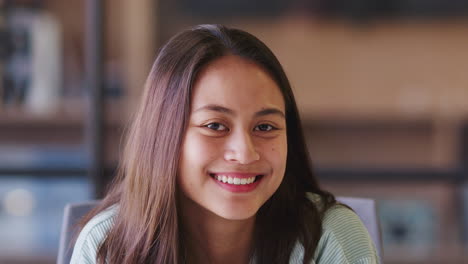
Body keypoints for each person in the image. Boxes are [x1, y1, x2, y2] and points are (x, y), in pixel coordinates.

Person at [70, 24, 380, 264]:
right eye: (215, 126)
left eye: (265, 127)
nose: (244, 153)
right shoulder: (108, 247)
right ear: (164, 135)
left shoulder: (330, 237)